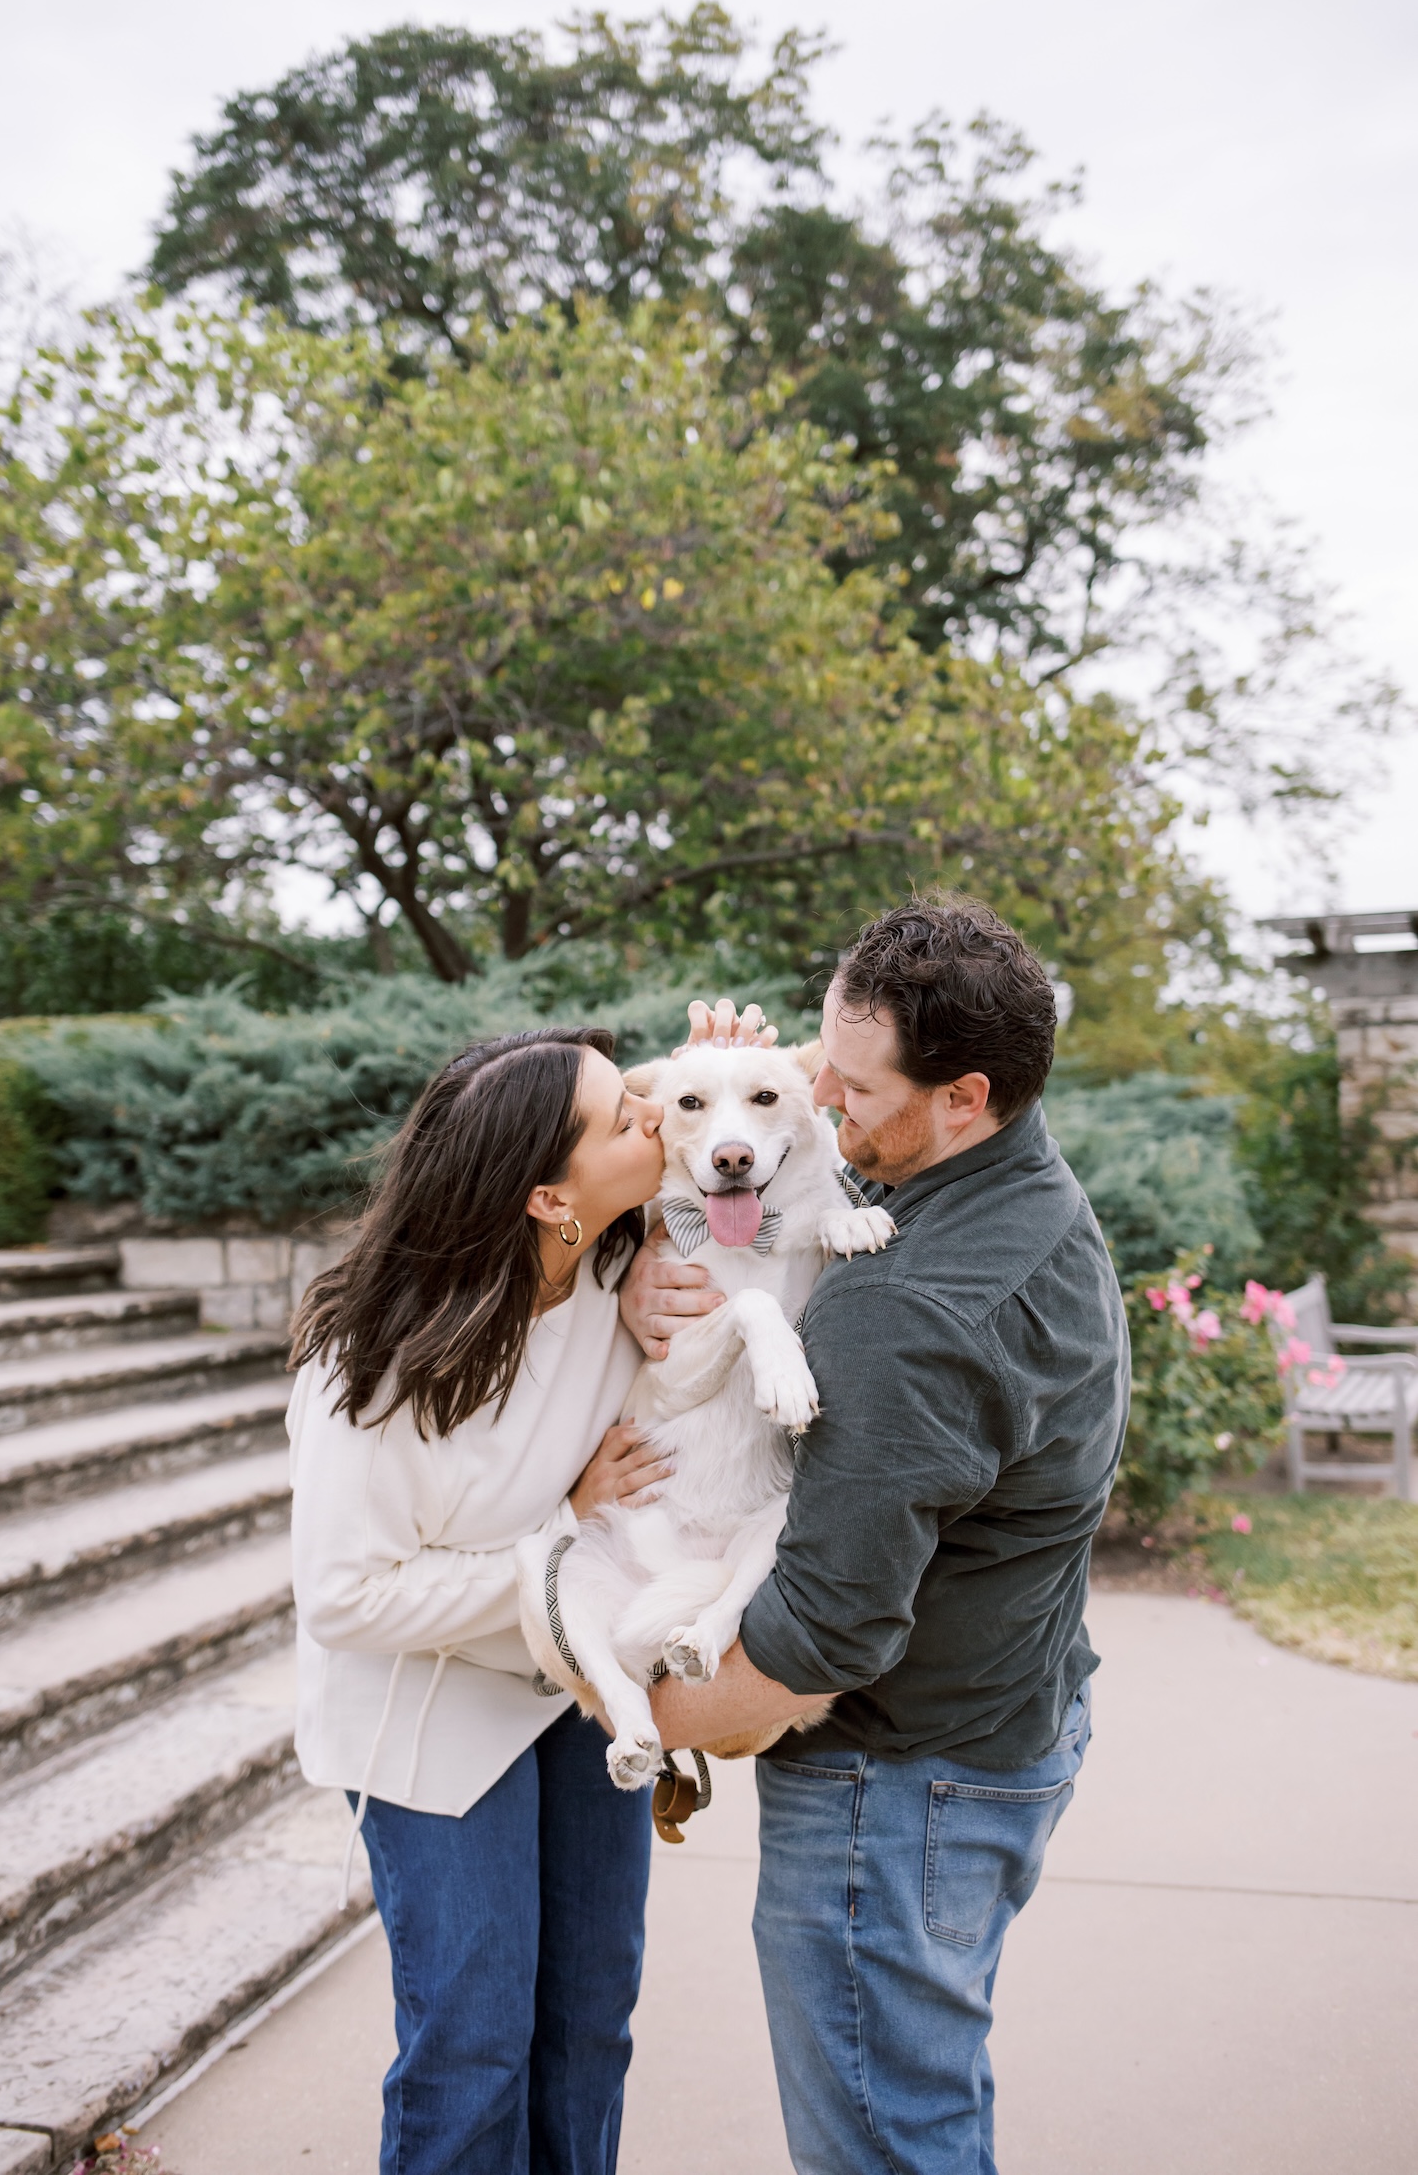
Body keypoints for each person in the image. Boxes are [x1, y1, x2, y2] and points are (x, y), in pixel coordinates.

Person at [621, 897, 1131, 2175]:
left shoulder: (908, 1308)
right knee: (924, 2108)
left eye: (850, 1089)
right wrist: (700, 1140)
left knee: (886, 2147)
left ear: (962, 1095)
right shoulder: (1022, 1191)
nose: (823, 1107)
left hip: (895, 1793)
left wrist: (603, 1703)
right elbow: (776, 1178)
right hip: (1012, 1722)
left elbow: (814, 1644)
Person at [285, 1025, 673, 2175]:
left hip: (571, 1692)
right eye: (623, 1116)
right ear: (549, 1197)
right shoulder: (373, 1362)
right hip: (432, 1715)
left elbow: (781, 1097)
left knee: (589, 2031)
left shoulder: (615, 1265)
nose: (652, 1115)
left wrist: (731, 1047)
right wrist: (558, 1534)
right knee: (477, 2046)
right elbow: (346, 1599)